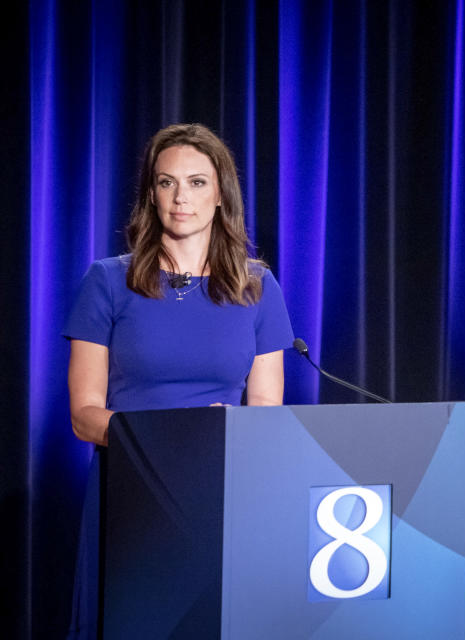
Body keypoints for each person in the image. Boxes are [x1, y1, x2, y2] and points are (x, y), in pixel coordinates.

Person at [63, 123, 294, 637]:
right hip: (133, 492)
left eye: (196, 182)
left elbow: (266, 411)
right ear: (151, 194)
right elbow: (83, 415)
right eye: (167, 183)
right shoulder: (108, 281)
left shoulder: (258, 287)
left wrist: (220, 436)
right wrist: (167, 438)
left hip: (224, 496)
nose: (180, 197)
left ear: (220, 195)